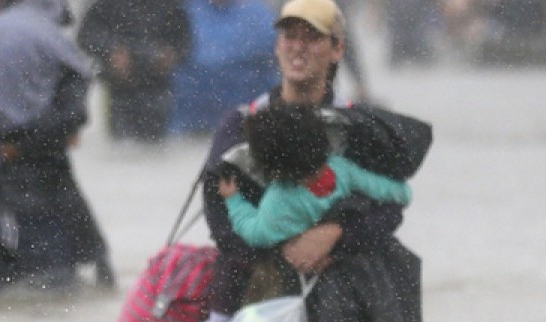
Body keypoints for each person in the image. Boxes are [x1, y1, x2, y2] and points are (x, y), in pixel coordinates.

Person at [199, 0, 420, 320]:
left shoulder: (359, 128)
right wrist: (285, 254)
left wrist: (336, 236)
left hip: (342, 291)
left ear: (338, 49)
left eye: (312, 38)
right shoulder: (241, 124)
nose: (298, 47)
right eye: (290, 37)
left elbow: (389, 210)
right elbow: (219, 217)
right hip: (249, 290)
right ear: (277, 46)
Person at [0, 0, 115, 295]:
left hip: (32, 188)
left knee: (45, 283)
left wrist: (20, 146)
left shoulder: (17, 38)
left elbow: (70, 110)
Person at [218, 106, 411, 248]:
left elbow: (256, 234)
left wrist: (234, 201)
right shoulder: (340, 169)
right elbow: (382, 188)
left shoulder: (279, 200)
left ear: (269, 165)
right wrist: (403, 192)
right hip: (347, 264)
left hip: (302, 277)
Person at [77, 0, 193, 145]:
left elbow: (185, 40)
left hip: (158, 87)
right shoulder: (107, 4)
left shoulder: (169, 5)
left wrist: (171, 53)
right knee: (122, 147)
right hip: (121, 90)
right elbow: (86, 35)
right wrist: (111, 51)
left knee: (156, 146)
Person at [169, 0, 280, 136]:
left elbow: (270, 53)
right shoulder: (186, 10)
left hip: (247, 127)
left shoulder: (258, 14)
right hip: (187, 126)